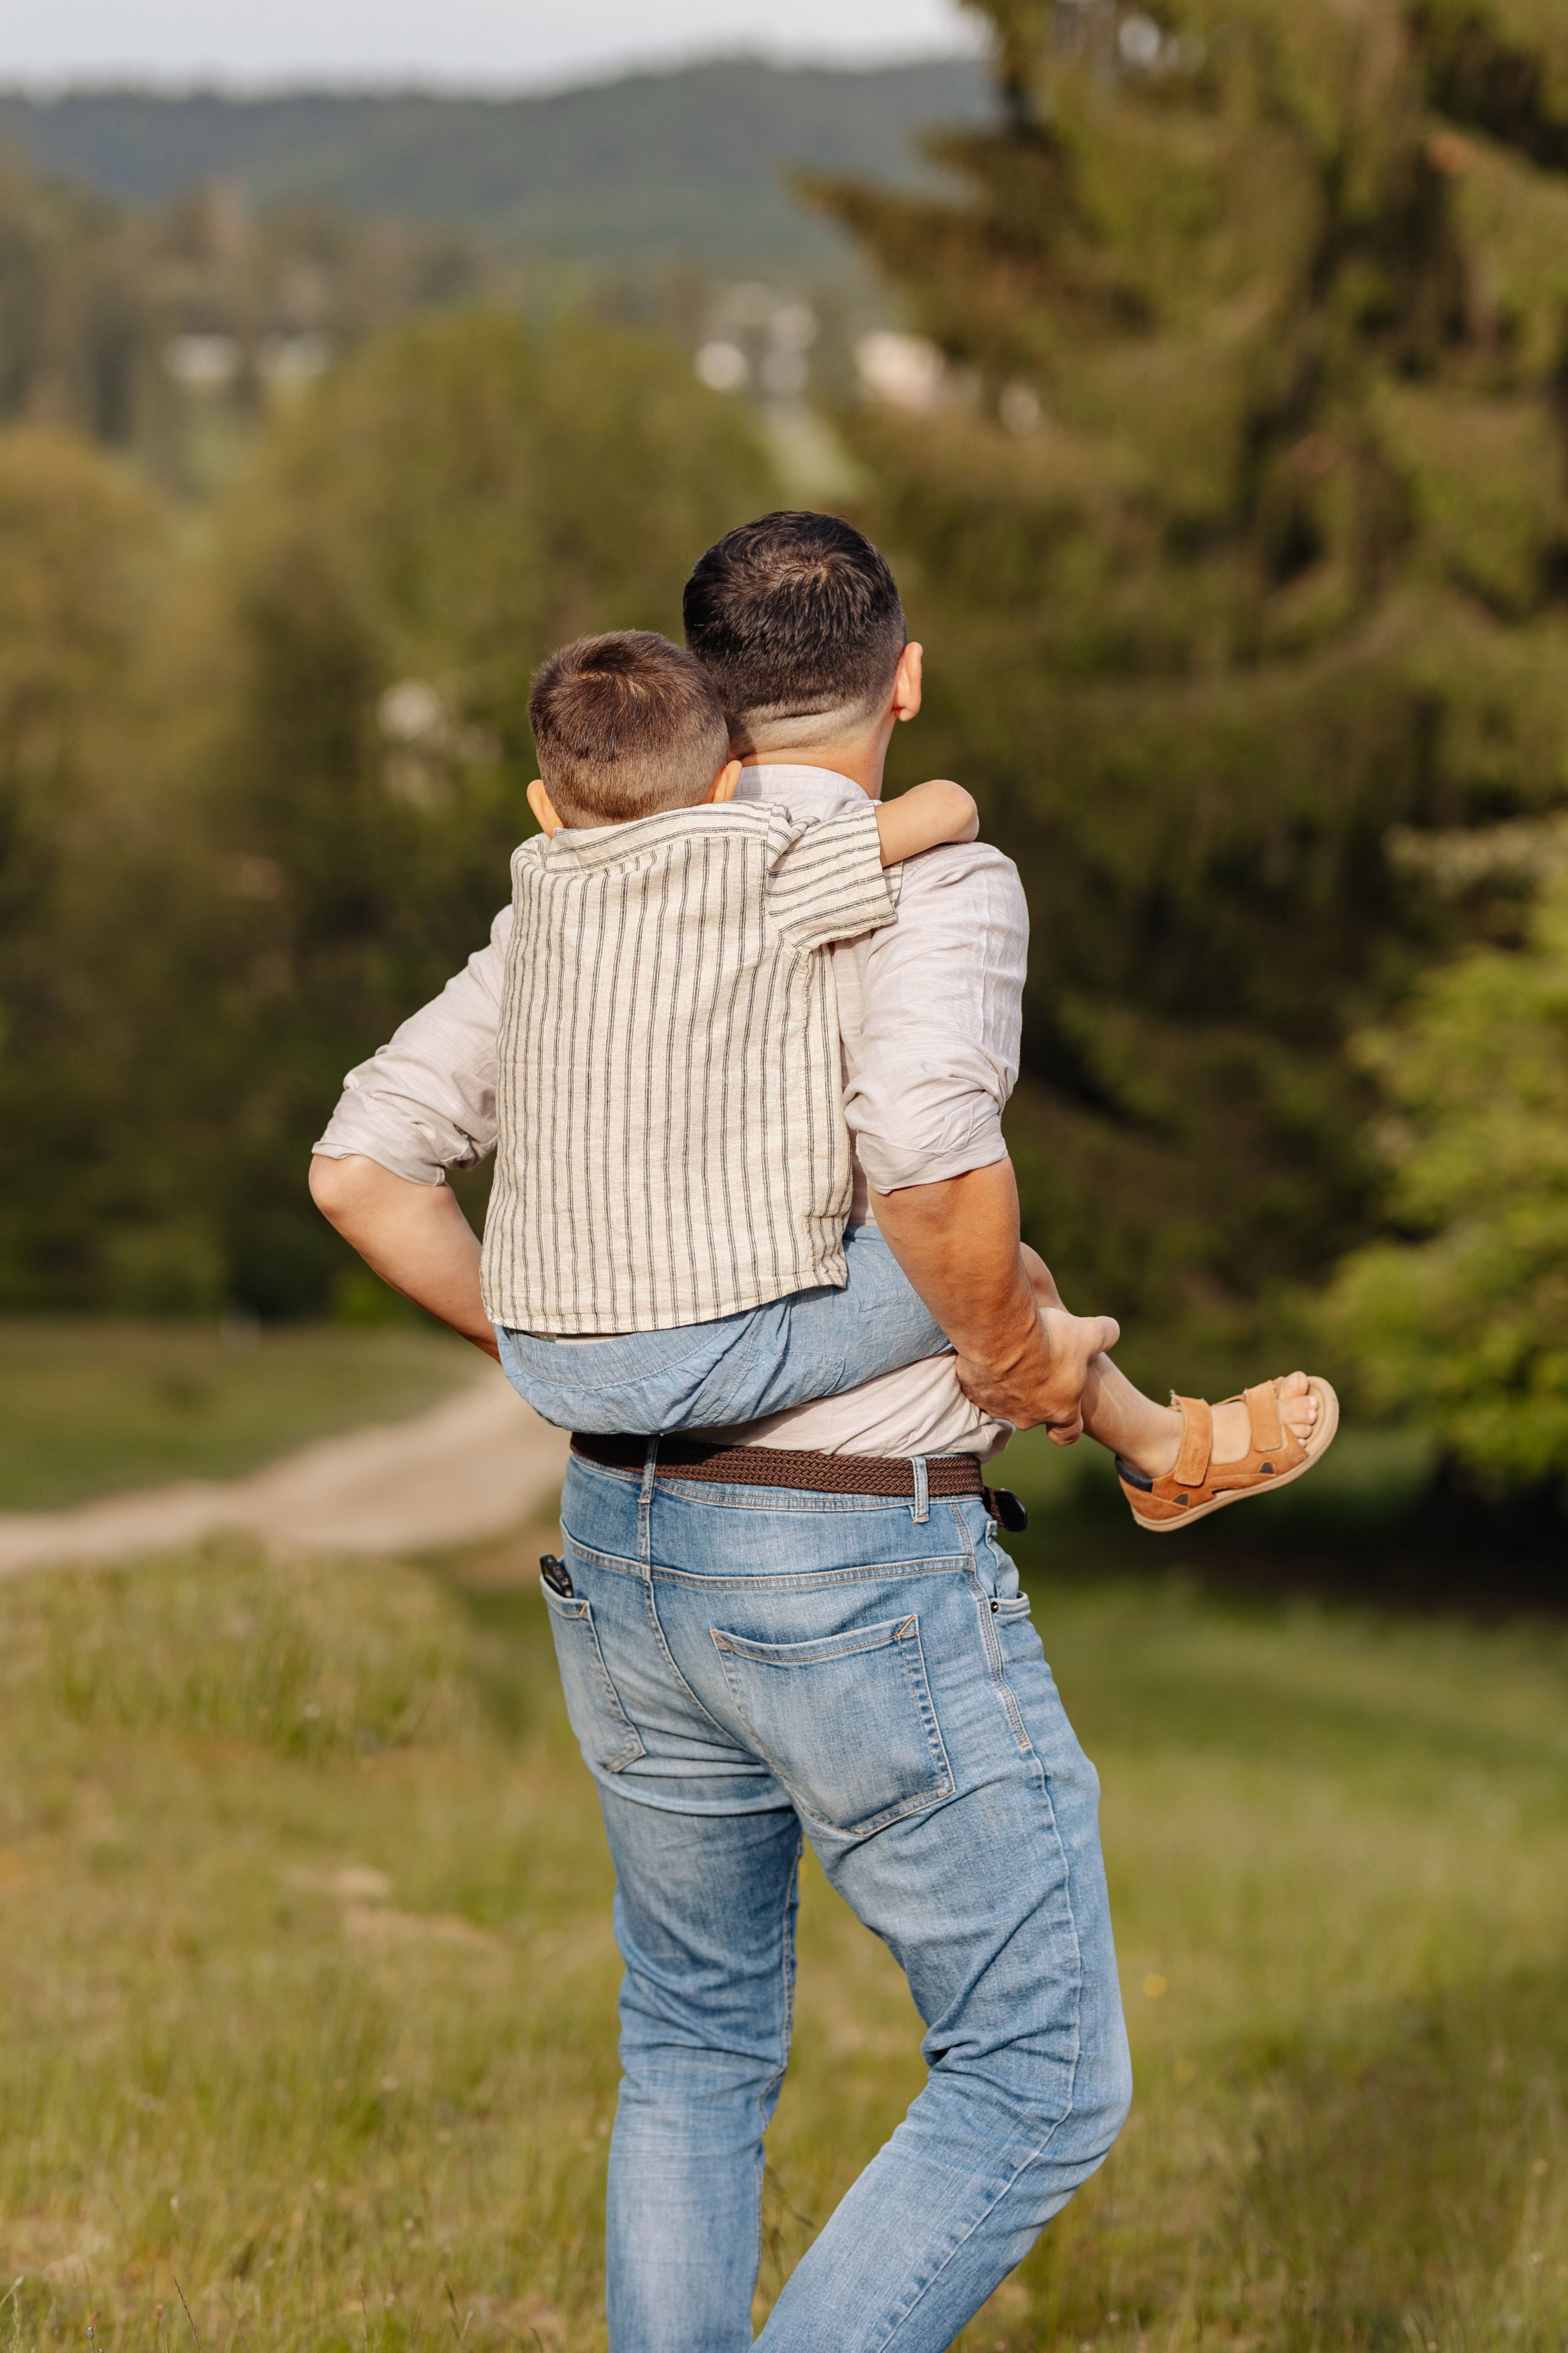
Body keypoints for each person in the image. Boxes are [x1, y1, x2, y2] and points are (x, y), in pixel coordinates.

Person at [309, 511, 1333, 2352]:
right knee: (1039, 2074)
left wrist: (574, 1340)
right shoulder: (933, 884)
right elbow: (935, 1150)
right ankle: (1148, 1429)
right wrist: (1014, 1358)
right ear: (908, 673)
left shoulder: (577, 902)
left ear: (708, 701)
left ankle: (1147, 1422)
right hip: (842, 1552)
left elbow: (362, 1167)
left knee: (693, 2042)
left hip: (618, 1539)